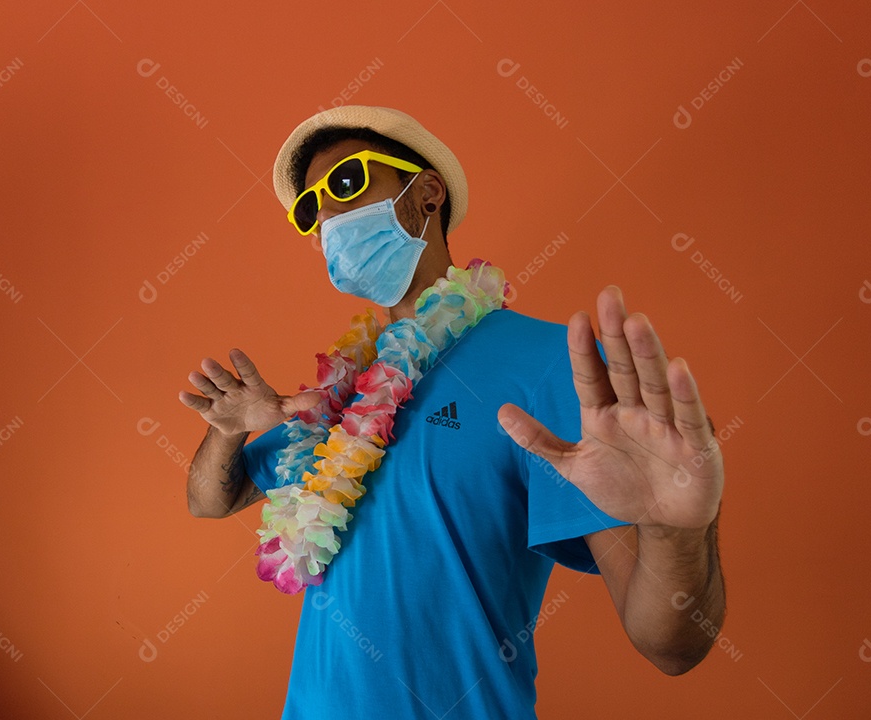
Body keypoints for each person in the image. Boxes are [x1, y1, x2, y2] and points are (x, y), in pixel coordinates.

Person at [179, 105, 726, 719]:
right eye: (310, 208)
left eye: (346, 182)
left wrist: (676, 532)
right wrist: (227, 432)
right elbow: (210, 499)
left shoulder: (554, 366)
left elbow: (670, 647)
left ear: (427, 192)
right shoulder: (340, 392)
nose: (327, 215)